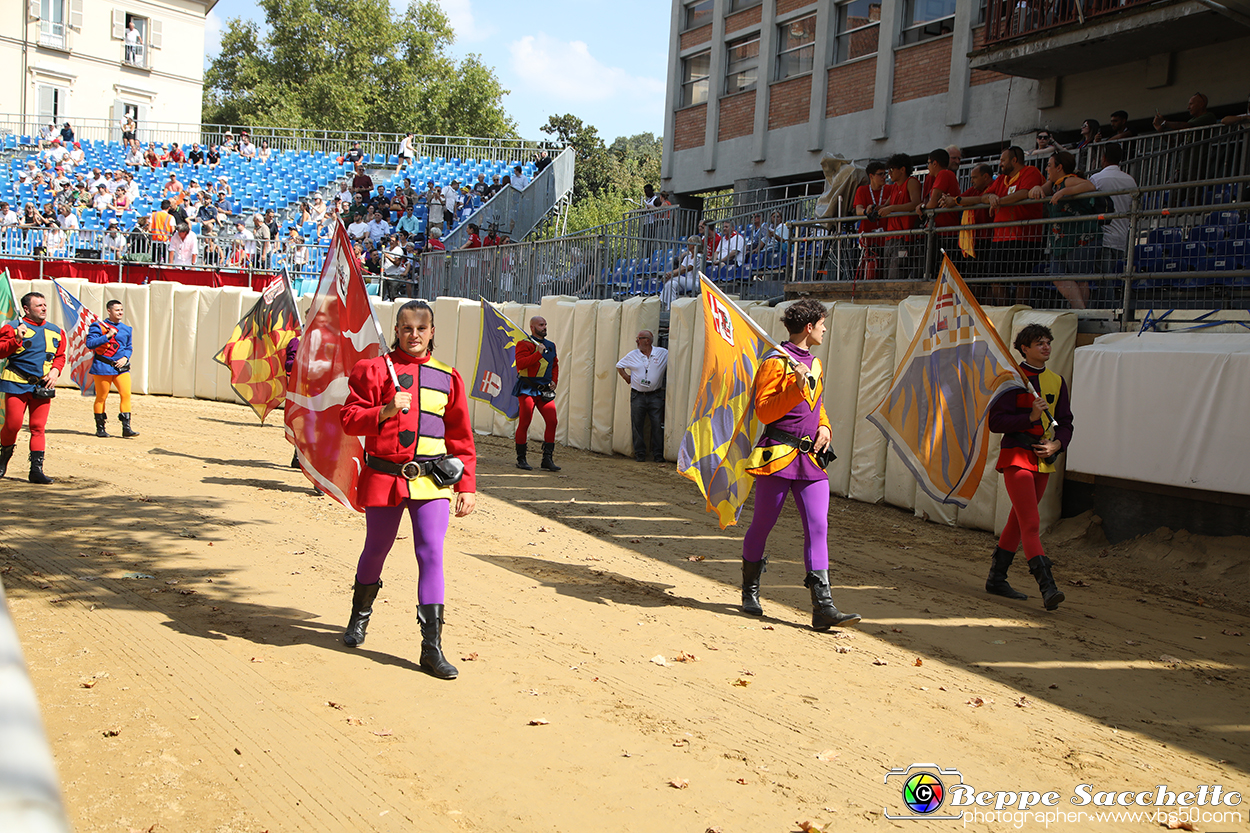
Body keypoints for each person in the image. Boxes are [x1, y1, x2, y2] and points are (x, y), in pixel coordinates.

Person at [339, 300, 477, 680]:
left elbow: (461, 438)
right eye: (406, 328)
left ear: (432, 332)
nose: (413, 335)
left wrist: (467, 485)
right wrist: (382, 410)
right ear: (396, 330)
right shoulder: (372, 371)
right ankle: (358, 618)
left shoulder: (449, 377)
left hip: (431, 482)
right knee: (376, 549)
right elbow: (349, 419)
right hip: (384, 477)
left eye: (421, 328)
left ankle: (431, 649)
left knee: (431, 553)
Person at [739, 299, 860, 630]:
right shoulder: (776, 363)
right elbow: (764, 412)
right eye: (822, 324)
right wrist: (795, 385)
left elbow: (817, 406)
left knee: (818, 527)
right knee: (762, 524)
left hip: (810, 459)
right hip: (777, 455)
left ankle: (823, 607)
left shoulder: (814, 365)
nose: (825, 329)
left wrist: (825, 426)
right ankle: (749, 591)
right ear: (809, 327)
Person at [985, 324, 1072, 611]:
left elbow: (1066, 422)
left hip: (1043, 459)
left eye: (1048, 342)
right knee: (1031, 524)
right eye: (1039, 343)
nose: (1046, 346)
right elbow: (995, 423)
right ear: (1024, 348)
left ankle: (997, 578)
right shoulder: (1011, 380)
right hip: (1016, 456)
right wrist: (1031, 416)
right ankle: (1048, 587)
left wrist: (1056, 445)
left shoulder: (1057, 381)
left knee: (1018, 520)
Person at [0, 292, 66, 484]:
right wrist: (16, 339)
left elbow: (60, 356)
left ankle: (36, 471)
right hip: (15, 382)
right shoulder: (12, 328)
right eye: (39, 306)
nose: (44, 308)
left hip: (42, 386)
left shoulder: (56, 331)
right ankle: (3, 459)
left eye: (45, 305)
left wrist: (55, 371)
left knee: (38, 427)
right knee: (13, 425)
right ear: (26, 309)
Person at [1031, 151, 1097, 309]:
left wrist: (1064, 192)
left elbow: (1090, 186)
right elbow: (1038, 190)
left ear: (1059, 167)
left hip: (1079, 237)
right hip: (1062, 239)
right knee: (1058, 275)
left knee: (1079, 277)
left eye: (1049, 165)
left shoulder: (1068, 181)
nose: (1047, 169)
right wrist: (1035, 188)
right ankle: (1080, 311)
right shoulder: (1053, 183)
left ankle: (1081, 313)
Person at [84, 300, 139, 438]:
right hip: (103, 367)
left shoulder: (127, 329)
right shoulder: (98, 326)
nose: (120, 312)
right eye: (117, 310)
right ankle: (100, 428)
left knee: (126, 394)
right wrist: (107, 335)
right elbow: (90, 344)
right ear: (109, 311)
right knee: (101, 397)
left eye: (121, 310)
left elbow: (128, 347)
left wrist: (125, 358)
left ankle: (126, 428)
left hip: (121, 368)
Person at [513, 316, 559, 472]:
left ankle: (547, 459)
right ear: (532, 327)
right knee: (525, 422)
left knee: (552, 421)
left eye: (545, 324)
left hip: (545, 390)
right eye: (541, 325)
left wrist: (554, 380)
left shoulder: (551, 345)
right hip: (527, 387)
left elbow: (554, 364)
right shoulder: (523, 344)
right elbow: (521, 364)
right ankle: (521, 459)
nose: (544, 327)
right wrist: (538, 353)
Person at [616, 330, 668, 462]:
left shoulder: (662, 353)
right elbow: (619, 365)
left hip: (655, 395)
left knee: (657, 425)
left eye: (639, 338)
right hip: (637, 395)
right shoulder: (633, 355)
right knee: (637, 424)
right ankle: (640, 453)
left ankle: (658, 454)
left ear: (648, 340)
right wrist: (626, 377)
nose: (636, 341)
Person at [1088, 142, 1136, 271]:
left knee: (1103, 280)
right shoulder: (1130, 180)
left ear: (1103, 157)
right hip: (1121, 237)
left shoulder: (1096, 178)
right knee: (1109, 277)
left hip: (1104, 236)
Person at [874, 153, 921, 280]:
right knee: (887, 275)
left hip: (903, 238)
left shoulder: (911, 182)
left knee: (897, 275)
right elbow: (885, 205)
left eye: (891, 170)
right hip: (891, 238)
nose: (889, 173)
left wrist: (892, 208)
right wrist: (873, 208)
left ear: (902, 169)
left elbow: (916, 203)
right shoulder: (895, 187)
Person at [660, 235, 701, 308]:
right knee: (671, 283)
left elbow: (686, 269)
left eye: (690, 243)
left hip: (695, 283)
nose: (687, 244)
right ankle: (671, 307)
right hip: (686, 282)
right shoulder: (688, 257)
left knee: (673, 278)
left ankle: (661, 301)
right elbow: (681, 268)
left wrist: (669, 274)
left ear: (695, 244)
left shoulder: (699, 256)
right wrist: (670, 274)